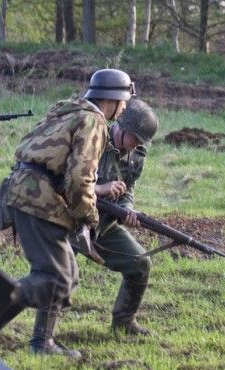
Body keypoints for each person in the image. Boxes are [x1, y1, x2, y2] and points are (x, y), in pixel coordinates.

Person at [0, 68, 135, 357]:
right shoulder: (94, 121)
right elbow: (80, 179)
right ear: (113, 99)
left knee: (65, 275)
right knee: (55, 278)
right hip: (39, 200)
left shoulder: (68, 110)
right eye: (125, 102)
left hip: (25, 193)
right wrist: (90, 217)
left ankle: (37, 342)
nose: (125, 108)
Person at [86, 98, 159, 335]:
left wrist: (127, 210)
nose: (136, 144)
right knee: (57, 274)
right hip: (71, 219)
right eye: (134, 138)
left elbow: (128, 188)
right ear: (122, 125)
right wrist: (100, 189)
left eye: (141, 141)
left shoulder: (137, 155)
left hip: (103, 224)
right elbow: (71, 180)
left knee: (140, 263)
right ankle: (42, 337)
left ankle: (124, 323)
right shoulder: (94, 140)